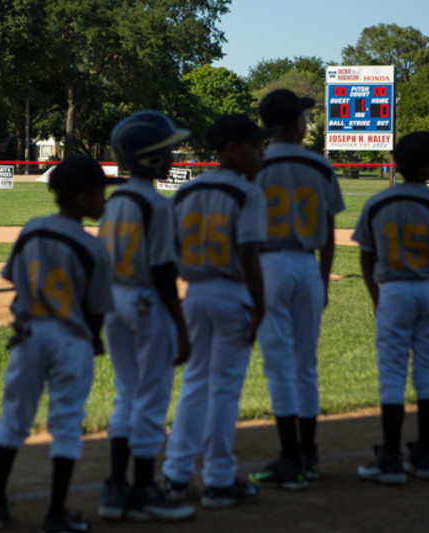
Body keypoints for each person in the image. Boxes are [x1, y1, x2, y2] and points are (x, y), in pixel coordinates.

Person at [0, 155, 114, 533]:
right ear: (82, 199)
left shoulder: (32, 230)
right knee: (67, 422)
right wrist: (96, 340)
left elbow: (14, 278)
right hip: (71, 339)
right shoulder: (93, 248)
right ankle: (56, 513)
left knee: (14, 419)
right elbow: (97, 308)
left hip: (28, 336)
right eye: (100, 193)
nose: (104, 201)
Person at [161, 114, 271, 508]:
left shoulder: (186, 192)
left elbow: (168, 255)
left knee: (194, 384)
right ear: (229, 151)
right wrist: (259, 308)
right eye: (253, 146)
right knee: (224, 388)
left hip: (195, 294)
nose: (261, 153)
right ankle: (219, 479)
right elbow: (248, 254)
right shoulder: (248, 193)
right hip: (231, 294)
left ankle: (175, 475)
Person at [352, 131, 429, 485]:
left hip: (395, 291)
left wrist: (376, 298)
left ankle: (390, 460)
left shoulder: (377, 203)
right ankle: (424, 457)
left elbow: (366, 256)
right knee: (427, 373)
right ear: (426, 166)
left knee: (391, 376)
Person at [97, 110, 195, 522]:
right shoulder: (156, 204)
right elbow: (161, 270)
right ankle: (143, 491)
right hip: (144, 302)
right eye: (168, 149)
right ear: (151, 157)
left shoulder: (115, 199)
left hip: (113, 301)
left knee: (126, 393)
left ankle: (115, 489)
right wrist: (180, 326)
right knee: (151, 399)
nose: (173, 155)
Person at [248, 89, 345, 489]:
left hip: (268, 265)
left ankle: (290, 459)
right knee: (305, 364)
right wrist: (322, 279)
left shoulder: (254, 165)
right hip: (307, 264)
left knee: (277, 366)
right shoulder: (320, 166)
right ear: (293, 123)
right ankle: (308, 455)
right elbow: (330, 232)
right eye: (303, 117)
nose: (307, 123)